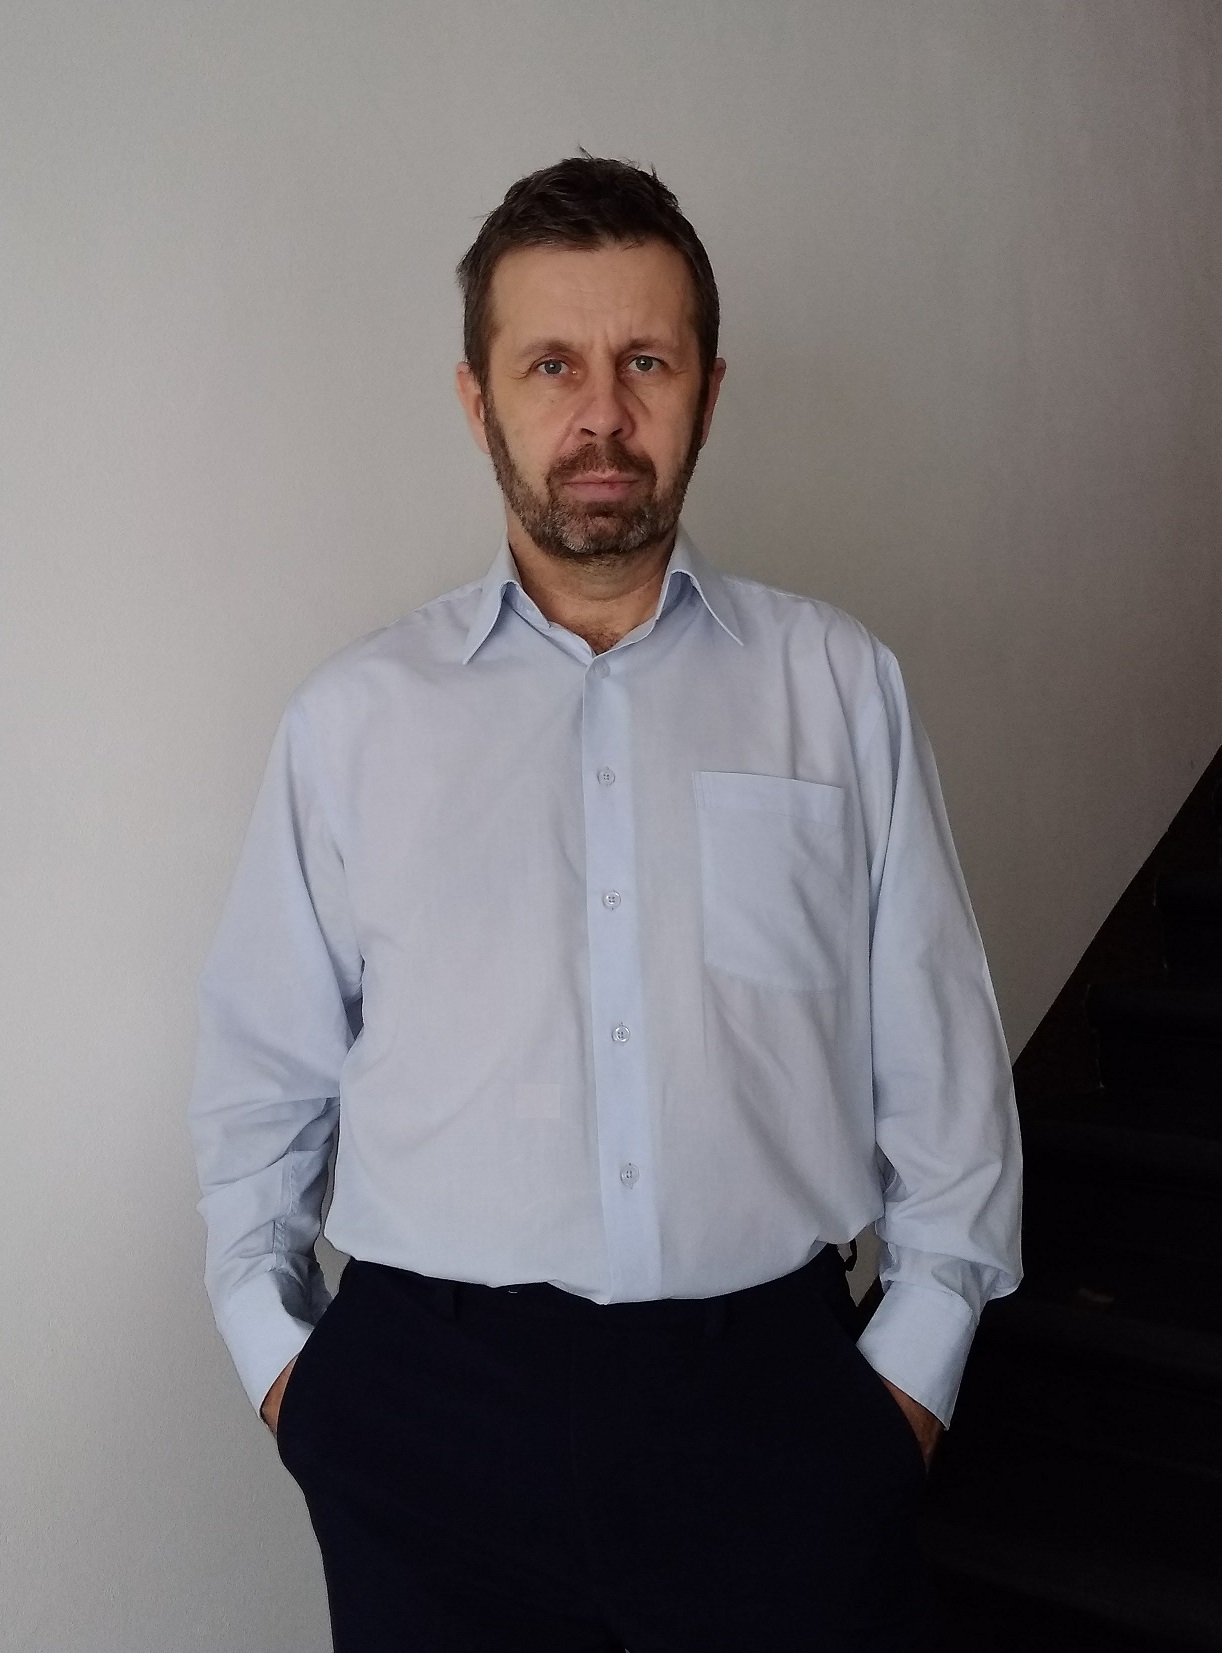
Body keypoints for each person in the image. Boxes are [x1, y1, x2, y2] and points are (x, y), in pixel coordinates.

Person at [190, 155, 1022, 1652]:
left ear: (708, 390)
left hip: (776, 1411)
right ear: (477, 399)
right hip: (426, 1419)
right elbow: (261, 1082)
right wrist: (292, 1376)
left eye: (646, 361)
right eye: (550, 365)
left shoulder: (836, 688)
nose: (601, 414)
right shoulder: (354, 723)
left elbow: (944, 1070)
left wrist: (907, 1380)